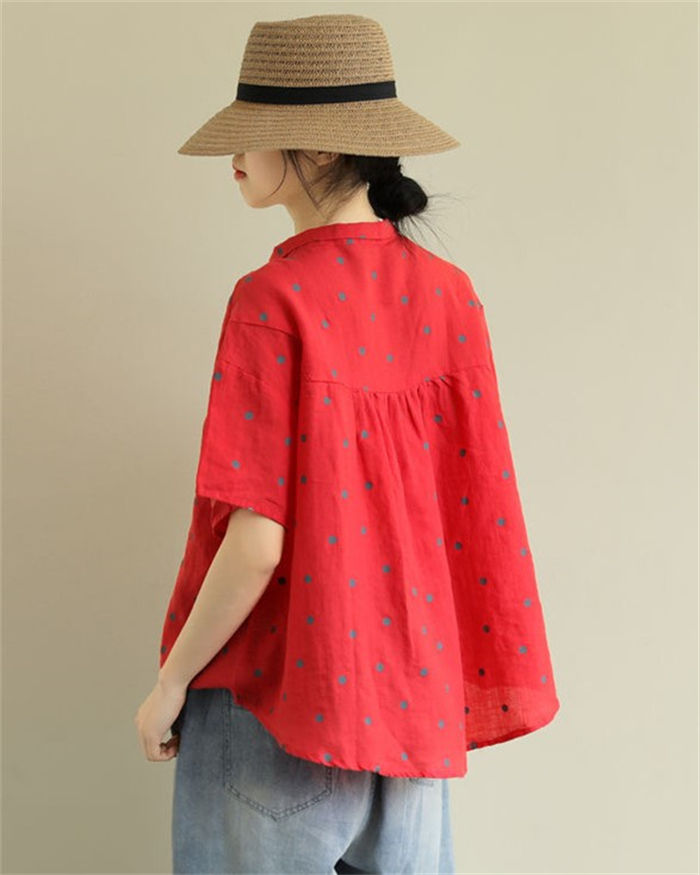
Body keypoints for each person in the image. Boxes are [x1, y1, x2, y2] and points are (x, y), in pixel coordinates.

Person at [133, 12, 560, 875]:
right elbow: (471, 509)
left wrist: (170, 680)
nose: (234, 152)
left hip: (280, 695)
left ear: (322, 147)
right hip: (413, 701)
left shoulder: (272, 298)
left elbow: (258, 542)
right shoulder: (449, 295)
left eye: (252, 130)